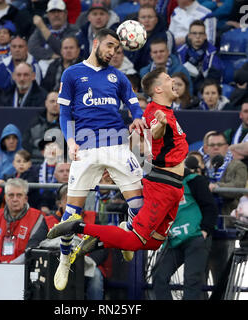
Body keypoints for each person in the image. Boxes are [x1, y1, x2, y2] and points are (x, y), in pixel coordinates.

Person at [48, 66, 189, 292]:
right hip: (162, 185)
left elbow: (141, 137)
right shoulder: (155, 112)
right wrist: (160, 126)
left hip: (173, 187)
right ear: (159, 88)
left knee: (154, 242)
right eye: (168, 78)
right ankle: (78, 226)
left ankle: (101, 240)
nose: (174, 80)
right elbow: (154, 133)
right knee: (133, 241)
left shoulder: (167, 110)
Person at [49, 28, 147, 291]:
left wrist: (137, 115)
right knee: (71, 214)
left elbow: (133, 103)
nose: (113, 52)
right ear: (96, 43)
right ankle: (64, 258)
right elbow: (64, 112)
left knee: (139, 206)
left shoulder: (118, 77)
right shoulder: (72, 74)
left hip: (117, 145)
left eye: (117, 49)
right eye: (110, 46)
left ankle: (127, 232)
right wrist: (69, 141)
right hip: (85, 147)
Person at [152, 154, 218, 300]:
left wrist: (204, 231)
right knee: (158, 276)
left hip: (195, 238)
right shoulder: (158, 184)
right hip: (172, 240)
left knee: (192, 281)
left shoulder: (194, 180)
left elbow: (210, 208)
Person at [204, 131, 247, 285]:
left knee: (222, 279)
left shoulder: (237, 165)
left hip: (225, 227)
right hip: (202, 229)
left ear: (227, 147)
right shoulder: (200, 165)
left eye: (220, 145)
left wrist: (217, 187)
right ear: (206, 148)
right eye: (212, 145)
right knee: (197, 278)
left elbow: (239, 187)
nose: (216, 148)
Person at [0, 178, 45, 263]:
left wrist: (11, 266)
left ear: (25, 198)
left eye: (19, 195)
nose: (15, 199)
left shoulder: (37, 217)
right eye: (11, 195)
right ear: (5, 198)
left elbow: (32, 249)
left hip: (24, 268)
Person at [125, 4, 176, 72]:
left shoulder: (166, 35)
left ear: (156, 20)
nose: (147, 21)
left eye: (150, 17)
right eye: (143, 17)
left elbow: (167, 61)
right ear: (138, 20)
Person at [177, 20, 223, 95]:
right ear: (189, 36)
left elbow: (214, 79)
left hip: (203, 92)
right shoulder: (179, 51)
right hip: (182, 90)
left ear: (205, 36)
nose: (198, 36)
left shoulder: (213, 54)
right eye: (194, 33)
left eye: (201, 33)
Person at [22, 91, 61, 160]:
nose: (55, 104)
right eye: (52, 101)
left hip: (58, 162)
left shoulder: (66, 124)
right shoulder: (35, 123)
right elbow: (26, 144)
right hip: (36, 161)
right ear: (46, 103)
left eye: (58, 102)